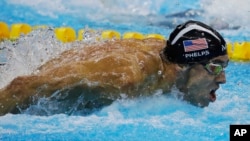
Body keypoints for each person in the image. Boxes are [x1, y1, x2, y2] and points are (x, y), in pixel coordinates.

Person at [0, 20, 229, 116]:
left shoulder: (168, 56)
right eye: (215, 68)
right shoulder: (126, 79)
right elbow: (24, 86)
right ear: (183, 66)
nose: (223, 79)